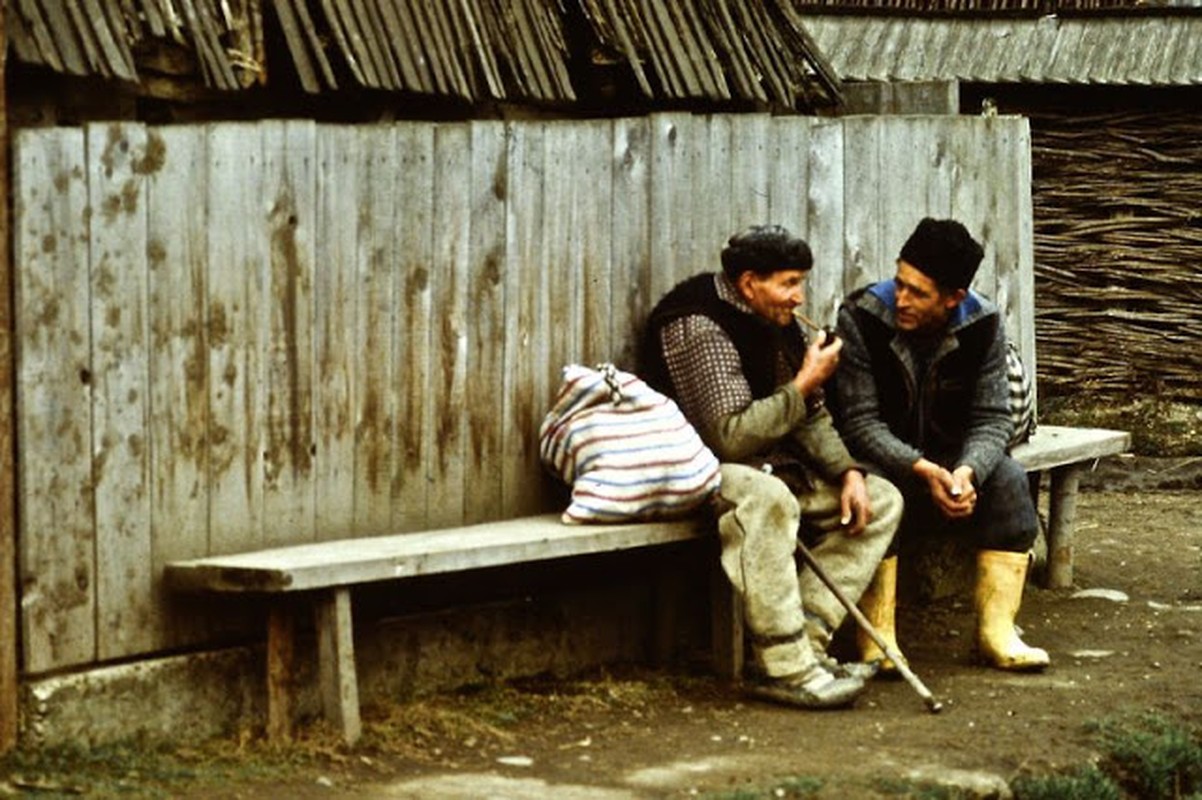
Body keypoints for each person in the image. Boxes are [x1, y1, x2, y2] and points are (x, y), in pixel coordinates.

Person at [639, 224, 902, 709]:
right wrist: (804, 384)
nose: (799, 297)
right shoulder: (698, 325)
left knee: (881, 499)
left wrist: (847, 472)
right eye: (788, 283)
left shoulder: (774, 320)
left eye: (801, 282)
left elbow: (809, 415)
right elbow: (730, 438)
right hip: (695, 468)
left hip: (764, 465)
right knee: (769, 498)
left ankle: (809, 642)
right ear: (747, 284)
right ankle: (784, 667)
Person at [829, 217, 1050, 674]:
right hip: (883, 461)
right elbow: (858, 422)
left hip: (950, 462)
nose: (902, 299)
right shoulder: (861, 318)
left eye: (918, 292)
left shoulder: (984, 322)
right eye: (900, 282)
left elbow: (993, 419)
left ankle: (995, 632)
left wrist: (967, 472)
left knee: (1008, 480)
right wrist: (920, 468)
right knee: (876, 493)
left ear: (954, 299)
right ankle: (877, 635)